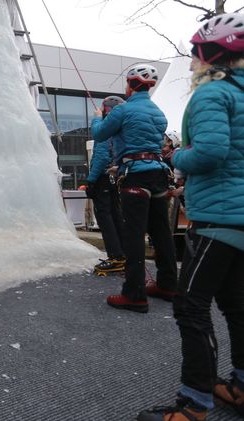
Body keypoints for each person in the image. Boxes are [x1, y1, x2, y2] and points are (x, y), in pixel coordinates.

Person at [136, 11, 244, 421]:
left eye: (197, 52)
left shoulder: (212, 92)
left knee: (190, 307)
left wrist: (175, 158)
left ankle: (193, 409)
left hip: (218, 216)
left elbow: (211, 152)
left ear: (210, 53)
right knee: (237, 303)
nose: (194, 60)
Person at [90, 64, 178, 312]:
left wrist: (98, 118)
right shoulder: (159, 113)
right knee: (161, 232)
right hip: (159, 174)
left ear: (130, 84)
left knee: (134, 235)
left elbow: (100, 135)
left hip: (135, 177)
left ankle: (134, 294)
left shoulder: (122, 111)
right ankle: (169, 284)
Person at [86, 96, 125, 275]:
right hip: (113, 178)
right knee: (115, 215)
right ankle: (121, 254)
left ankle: (115, 256)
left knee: (104, 216)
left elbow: (101, 157)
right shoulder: (120, 129)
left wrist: (91, 181)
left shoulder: (106, 129)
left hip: (102, 178)